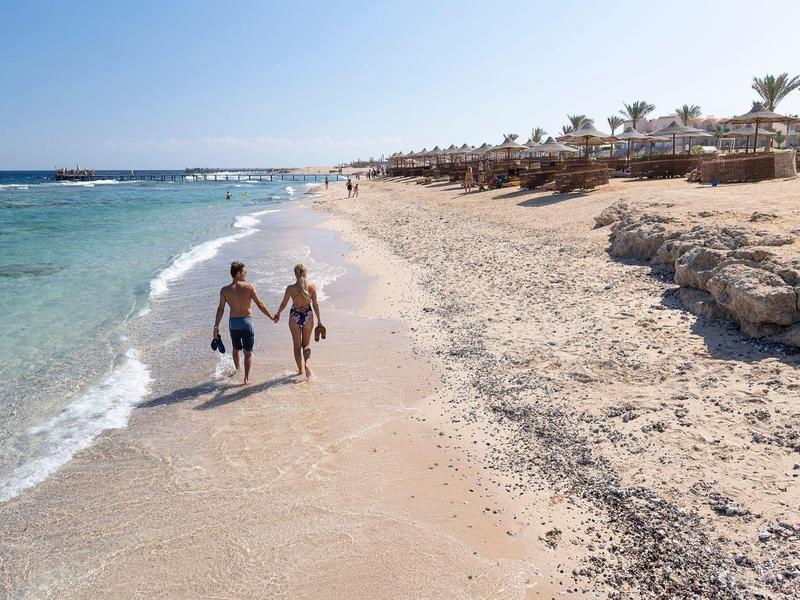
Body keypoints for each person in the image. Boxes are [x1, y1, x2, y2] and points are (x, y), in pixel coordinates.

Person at [213, 261, 277, 384]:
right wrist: (270, 316)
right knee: (248, 352)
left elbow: (221, 309)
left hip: (234, 324)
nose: (245, 273)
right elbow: (260, 304)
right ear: (238, 274)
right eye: (244, 272)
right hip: (247, 323)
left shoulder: (225, 290)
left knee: (236, 349)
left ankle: (238, 370)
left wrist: (216, 326)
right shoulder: (249, 287)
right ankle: (246, 377)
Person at [274, 264, 322, 380]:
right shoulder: (311, 287)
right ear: (306, 273)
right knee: (306, 345)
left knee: (296, 347)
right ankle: (307, 365)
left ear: (295, 274)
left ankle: (300, 370)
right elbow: (315, 305)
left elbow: (284, 303)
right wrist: (319, 321)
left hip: (294, 316)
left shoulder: (290, 288)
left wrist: (278, 314)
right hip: (308, 316)